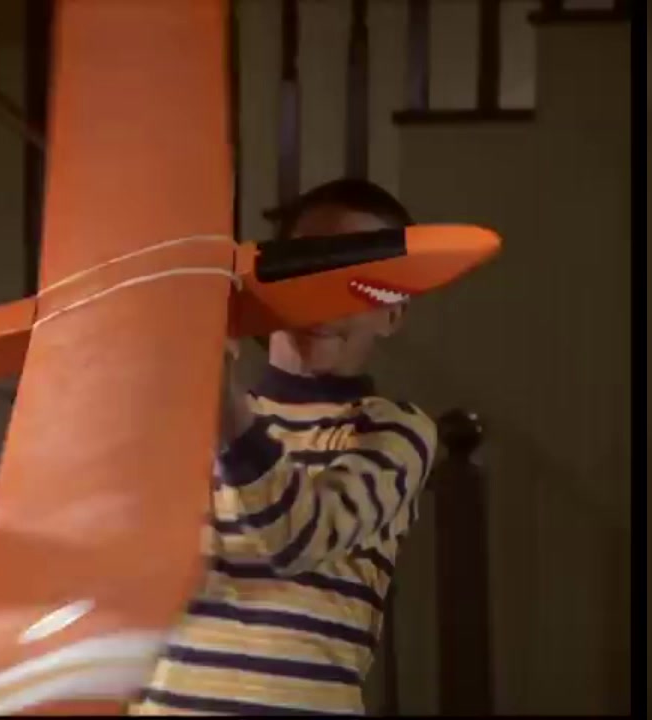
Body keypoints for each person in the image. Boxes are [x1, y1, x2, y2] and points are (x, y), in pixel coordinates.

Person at [130, 179, 438, 715]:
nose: (326, 300)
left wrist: (219, 398)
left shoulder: (397, 429)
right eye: (308, 268)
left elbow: (298, 538)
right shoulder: (185, 420)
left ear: (393, 313)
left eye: (357, 280)